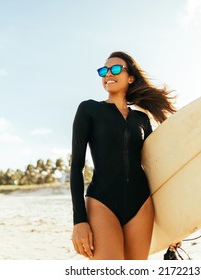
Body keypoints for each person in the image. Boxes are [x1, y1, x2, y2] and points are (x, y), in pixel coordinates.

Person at [70, 51, 176, 260]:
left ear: (131, 77)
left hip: (141, 205)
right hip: (102, 202)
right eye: (104, 70)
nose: (108, 73)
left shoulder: (141, 119)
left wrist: (173, 226)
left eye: (116, 68)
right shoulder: (89, 109)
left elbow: (155, 167)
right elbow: (76, 168)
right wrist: (79, 221)